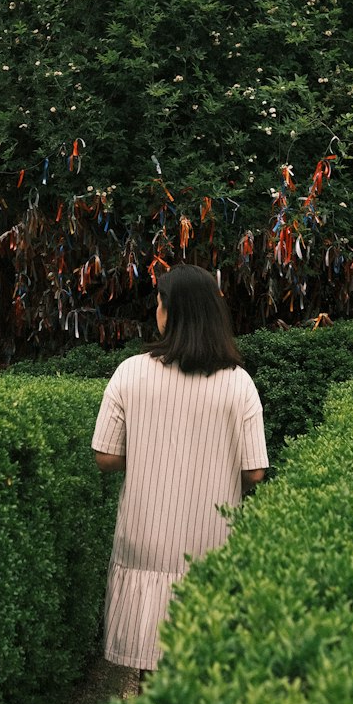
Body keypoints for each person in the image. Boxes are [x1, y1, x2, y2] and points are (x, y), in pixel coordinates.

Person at [92, 264, 269, 677]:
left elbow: (105, 455)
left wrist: (150, 450)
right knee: (204, 671)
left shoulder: (130, 372)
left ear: (168, 312)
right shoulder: (238, 382)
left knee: (151, 666)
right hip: (213, 543)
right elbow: (256, 471)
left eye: (158, 302)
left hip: (146, 537)